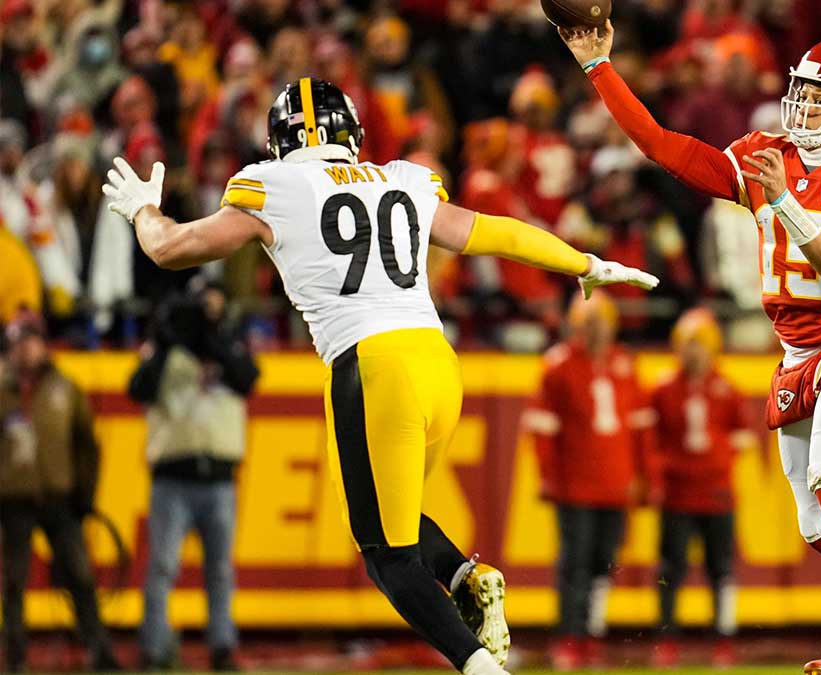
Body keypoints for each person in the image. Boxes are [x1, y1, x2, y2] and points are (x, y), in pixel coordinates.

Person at [101, 77, 657, 675]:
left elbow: (170, 249)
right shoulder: (401, 178)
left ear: (279, 143)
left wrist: (143, 210)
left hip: (371, 365)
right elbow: (495, 232)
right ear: (354, 134)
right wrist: (584, 262)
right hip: (438, 363)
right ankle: (470, 578)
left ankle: (481, 667)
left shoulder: (275, 184)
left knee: (386, 555)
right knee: (385, 516)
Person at [559, 25, 821, 675]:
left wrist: (782, 200)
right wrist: (600, 66)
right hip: (795, 354)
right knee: (817, 527)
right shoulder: (765, 153)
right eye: (801, 91)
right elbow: (664, 148)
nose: (803, 106)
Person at [522, 291, 660, 670]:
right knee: (575, 563)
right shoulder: (560, 365)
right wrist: (549, 476)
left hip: (615, 481)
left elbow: (640, 429)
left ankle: (592, 633)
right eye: (590, 322)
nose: (598, 330)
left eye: (603, 322)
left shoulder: (624, 364)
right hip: (576, 483)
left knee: (602, 562)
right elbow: (542, 430)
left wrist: (644, 476)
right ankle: (569, 635)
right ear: (578, 325)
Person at [127, 279, 259, 671]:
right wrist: (170, 342)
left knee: (219, 570)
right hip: (173, 475)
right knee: (162, 566)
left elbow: (248, 378)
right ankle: (153, 646)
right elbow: (138, 389)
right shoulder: (165, 348)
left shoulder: (229, 343)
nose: (208, 314)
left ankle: (221, 645)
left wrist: (211, 339)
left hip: (218, 476)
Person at [0, 313, 120, 673]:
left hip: (59, 498)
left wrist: (84, 493)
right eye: (19, 342)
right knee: (13, 583)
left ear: (43, 343)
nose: (26, 349)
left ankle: (100, 653)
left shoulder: (64, 388)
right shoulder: (2, 389)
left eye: (31, 340)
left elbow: (87, 445)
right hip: (12, 500)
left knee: (81, 577)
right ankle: (16, 659)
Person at [649, 307, 753, 668]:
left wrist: (716, 467)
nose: (694, 352)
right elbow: (651, 441)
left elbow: (741, 440)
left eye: (700, 345)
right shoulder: (664, 388)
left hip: (715, 494)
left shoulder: (726, 390)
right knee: (669, 570)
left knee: (721, 570)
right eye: (688, 345)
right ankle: (667, 638)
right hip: (677, 494)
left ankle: (724, 639)